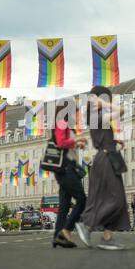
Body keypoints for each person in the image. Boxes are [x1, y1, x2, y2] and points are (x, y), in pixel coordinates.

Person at [76, 86, 130, 250]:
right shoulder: (97, 115)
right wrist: (104, 104)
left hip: (108, 157)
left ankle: (107, 238)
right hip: (105, 159)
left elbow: (102, 135)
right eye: (107, 98)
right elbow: (122, 110)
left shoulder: (96, 116)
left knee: (109, 198)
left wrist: (115, 141)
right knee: (116, 199)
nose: (109, 101)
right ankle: (87, 225)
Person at [52, 99, 87, 248]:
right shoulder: (61, 123)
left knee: (65, 204)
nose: (77, 113)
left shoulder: (66, 125)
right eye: (75, 110)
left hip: (66, 168)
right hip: (66, 169)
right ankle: (66, 230)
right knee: (82, 199)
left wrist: (76, 142)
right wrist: (76, 140)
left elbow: (65, 143)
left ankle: (58, 237)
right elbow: (60, 142)